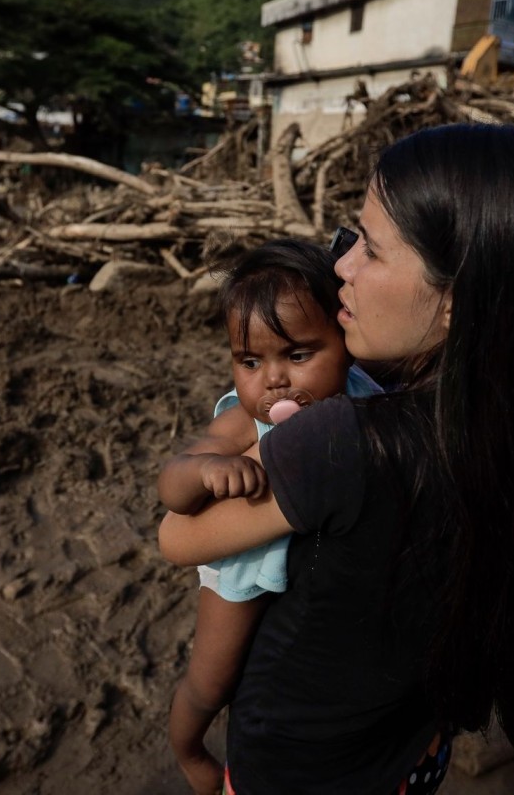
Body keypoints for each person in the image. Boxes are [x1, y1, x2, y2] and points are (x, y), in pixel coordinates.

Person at [159, 124, 514, 793]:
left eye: (369, 249)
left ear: (458, 297)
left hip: (298, 767)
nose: (340, 265)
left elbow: (178, 536)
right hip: (410, 752)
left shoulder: (346, 441)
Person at [158, 239, 379, 794]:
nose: (273, 381)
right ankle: (187, 748)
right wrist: (207, 470)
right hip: (242, 571)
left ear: (345, 342)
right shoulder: (241, 423)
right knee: (213, 680)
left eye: (298, 356)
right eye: (249, 362)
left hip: (306, 582)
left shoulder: (363, 396)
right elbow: (172, 485)